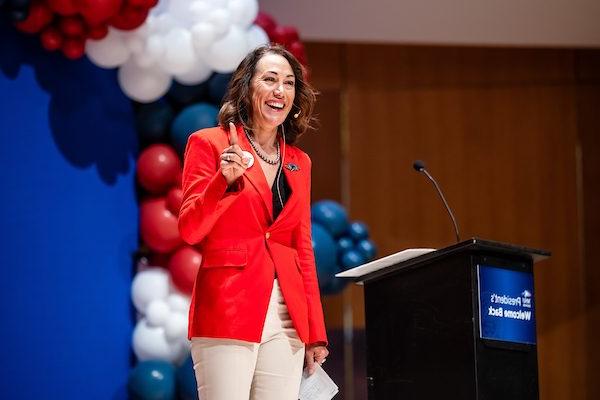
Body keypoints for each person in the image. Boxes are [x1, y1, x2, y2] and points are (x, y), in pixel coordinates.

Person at [178, 44, 329, 400]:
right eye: (270, 79)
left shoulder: (299, 162)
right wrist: (222, 181)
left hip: (288, 317)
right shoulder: (208, 144)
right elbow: (189, 229)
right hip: (228, 306)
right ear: (247, 88)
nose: (280, 90)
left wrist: (315, 332)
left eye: (289, 83)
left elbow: (302, 247)